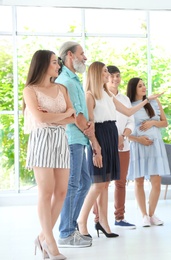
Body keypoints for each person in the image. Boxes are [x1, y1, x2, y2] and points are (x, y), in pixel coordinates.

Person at [77, 62, 161, 238]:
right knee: (98, 184)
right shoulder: (90, 95)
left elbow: (128, 111)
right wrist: (96, 148)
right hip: (100, 136)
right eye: (105, 71)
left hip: (111, 134)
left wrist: (147, 100)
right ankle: (82, 221)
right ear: (96, 74)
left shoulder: (107, 94)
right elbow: (89, 125)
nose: (109, 74)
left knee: (106, 183)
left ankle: (105, 223)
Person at [24, 50, 75, 259]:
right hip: (41, 140)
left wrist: (57, 116)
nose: (58, 66)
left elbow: (73, 118)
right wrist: (63, 115)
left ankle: (42, 237)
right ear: (43, 64)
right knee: (46, 192)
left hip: (61, 139)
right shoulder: (30, 90)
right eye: (54, 62)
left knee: (61, 192)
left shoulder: (62, 88)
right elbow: (39, 119)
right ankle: (50, 241)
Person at [56, 41, 94, 248]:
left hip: (80, 139)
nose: (85, 57)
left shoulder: (74, 79)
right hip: (73, 139)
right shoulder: (67, 81)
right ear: (70, 55)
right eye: (82, 53)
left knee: (84, 182)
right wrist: (88, 130)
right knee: (73, 184)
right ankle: (66, 233)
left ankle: (70, 227)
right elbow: (77, 114)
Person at [92, 66, 136, 229]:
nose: (115, 79)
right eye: (111, 76)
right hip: (105, 144)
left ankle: (120, 217)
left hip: (123, 145)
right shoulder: (100, 96)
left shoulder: (124, 99)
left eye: (118, 76)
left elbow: (131, 120)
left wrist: (123, 135)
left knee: (121, 182)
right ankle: (98, 218)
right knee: (101, 183)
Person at [126, 77, 170, 227]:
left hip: (155, 145)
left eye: (144, 85)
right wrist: (139, 140)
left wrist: (152, 122)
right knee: (138, 181)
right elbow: (124, 132)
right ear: (133, 89)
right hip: (138, 146)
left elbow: (165, 122)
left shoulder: (154, 102)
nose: (144, 87)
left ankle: (152, 214)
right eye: (140, 86)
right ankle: (144, 215)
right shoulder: (129, 106)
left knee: (156, 182)